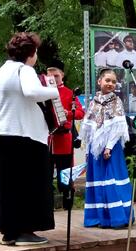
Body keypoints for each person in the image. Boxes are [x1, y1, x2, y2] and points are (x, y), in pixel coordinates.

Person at [0, 32, 60, 245]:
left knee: (9, 185)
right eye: (36, 52)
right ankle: (25, 232)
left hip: (3, 132)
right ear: (30, 53)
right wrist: (53, 91)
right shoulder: (25, 69)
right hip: (25, 135)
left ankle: (10, 232)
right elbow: (31, 92)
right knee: (29, 184)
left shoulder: (3, 70)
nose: (36, 56)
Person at [79, 69, 133, 228]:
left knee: (111, 179)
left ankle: (116, 217)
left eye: (113, 82)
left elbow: (118, 128)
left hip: (110, 149)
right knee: (98, 180)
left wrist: (108, 147)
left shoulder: (116, 102)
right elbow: (88, 127)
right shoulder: (93, 102)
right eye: (107, 80)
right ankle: (97, 217)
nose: (110, 84)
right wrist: (89, 149)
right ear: (99, 82)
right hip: (95, 149)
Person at [46, 66, 85, 210]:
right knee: (46, 175)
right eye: (50, 76)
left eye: (56, 76)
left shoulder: (69, 93)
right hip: (46, 140)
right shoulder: (42, 93)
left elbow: (80, 113)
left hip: (63, 139)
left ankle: (67, 206)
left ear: (62, 75)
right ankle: (47, 207)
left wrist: (68, 112)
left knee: (65, 174)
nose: (53, 79)